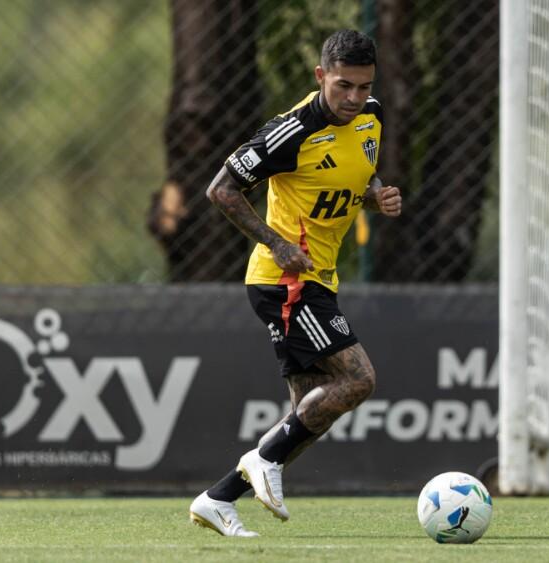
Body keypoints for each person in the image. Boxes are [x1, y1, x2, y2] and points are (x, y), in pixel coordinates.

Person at [188, 29, 402, 537]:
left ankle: (218, 499)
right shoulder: (291, 131)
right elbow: (220, 190)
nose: (353, 98)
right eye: (342, 86)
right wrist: (276, 242)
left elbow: (354, 172)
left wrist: (375, 196)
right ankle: (262, 460)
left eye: (363, 86)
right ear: (320, 76)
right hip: (283, 278)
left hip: (319, 277)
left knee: (306, 419)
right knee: (358, 379)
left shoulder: (371, 114)